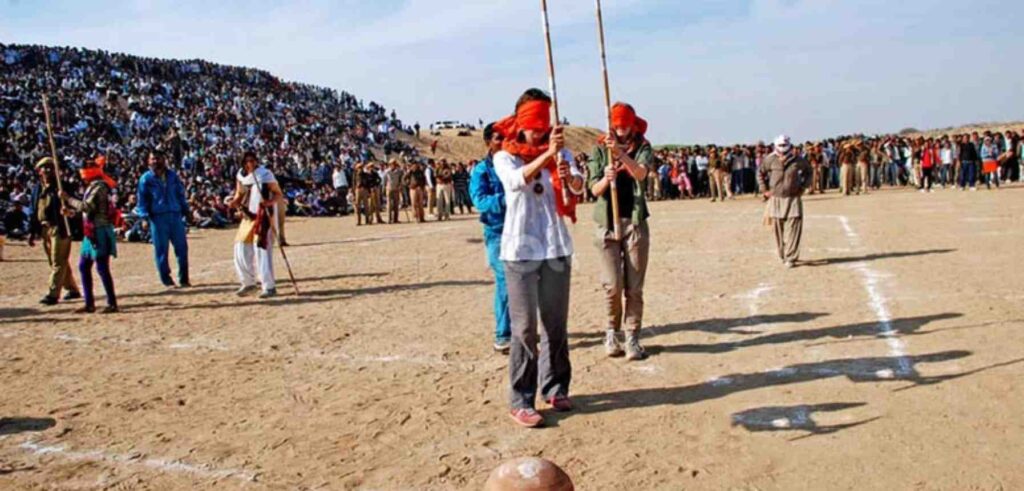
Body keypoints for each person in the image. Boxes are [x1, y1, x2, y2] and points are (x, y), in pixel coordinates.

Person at [493, 88, 585, 428]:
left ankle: (556, 386)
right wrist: (547, 155)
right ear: (520, 123)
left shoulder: (561, 152)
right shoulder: (505, 156)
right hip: (519, 251)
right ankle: (521, 399)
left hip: (556, 247)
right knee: (524, 328)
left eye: (543, 125)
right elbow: (516, 182)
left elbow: (576, 189)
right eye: (533, 126)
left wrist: (569, 174)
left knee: (555, 324)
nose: (539, 132)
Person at [587, 103, 652, 361]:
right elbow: (593, 190)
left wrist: (622, 156)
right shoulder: (600, 148)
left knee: (634, 287)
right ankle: (611, 332)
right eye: (618, 123)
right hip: (607, 223)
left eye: (626, 123)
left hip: (634, 221)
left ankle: (633, 336)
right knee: (612, 286)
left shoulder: (643, 147)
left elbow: (641, 173)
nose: (622, 128)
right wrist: (607, 177)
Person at [470, 123, 511, 354]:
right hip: (496, 231)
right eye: (498, 138)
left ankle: (521, 328)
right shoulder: (481, 171)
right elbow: (480, 201)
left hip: (520, 230)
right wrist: (507, 198)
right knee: (505, 278)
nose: (503, 141)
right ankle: (503, 334)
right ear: (488, 142)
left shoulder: (515, 164)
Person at [61, 155, 119, 313]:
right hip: (91, 230)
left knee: (102, 268)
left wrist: (68, 199)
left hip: (99, 230)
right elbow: (87, 212)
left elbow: (87, 207)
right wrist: (71, 213)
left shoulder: (99, 187)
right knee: (84, 266)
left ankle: (111, 303)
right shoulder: (93, 186)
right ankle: (89, 303)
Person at [228, 151, 284, 299]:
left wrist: (269, 202)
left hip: (263, 216)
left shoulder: (265, 175)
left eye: (252, 161)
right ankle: (248, 282)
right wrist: (234, 202)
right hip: (247, 217)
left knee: (262, 250)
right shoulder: (241, 177)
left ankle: (268, 285)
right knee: (240, 248)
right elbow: (239, 194)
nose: (250, 164)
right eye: (247, 161)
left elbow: (278, 194)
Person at [28, 157, 81, 305]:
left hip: (60, 228)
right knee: (55, 262)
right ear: (39, 171)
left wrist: (66, 201)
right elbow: (34, 211)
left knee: (58, 261)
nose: (48, 170)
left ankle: (53, 294)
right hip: (44, 229)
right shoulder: (37, 189)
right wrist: (32, 232)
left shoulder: (63, 187)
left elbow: (75, 205)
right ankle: (73, 289)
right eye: (44, 168)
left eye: (51, 167)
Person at [136, 149, 191, 288]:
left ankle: (184, 279)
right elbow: (142, 200)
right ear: (148, 161)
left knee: (182, 248)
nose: (156, 161)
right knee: (161, 250)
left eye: (158, 158)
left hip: (175, 215)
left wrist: (186, 210)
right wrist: (144, 218)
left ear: (164, 159)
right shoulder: (146, 179)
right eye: (153, 159)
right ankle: (166, 280)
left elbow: (180, 194)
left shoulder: (173, 176)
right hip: (158, 218)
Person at [758, 135, 812, 269]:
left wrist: (803, 187)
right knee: (777, 229)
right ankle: (782, 254)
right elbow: (760, 173)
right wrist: (764, 189)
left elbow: (809, 172)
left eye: (785, 145)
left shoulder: (798, 160)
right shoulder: (769, 160)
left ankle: (791, 256)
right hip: (776, 198)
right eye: (780, 146)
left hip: (793, 197)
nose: (783, 149)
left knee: (794, 227)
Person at [384, 160, 404, 224]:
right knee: (389, 205)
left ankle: (395, 219)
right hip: (389, 189)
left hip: (396, 189)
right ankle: (389, 219)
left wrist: (400, 185)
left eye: (394, 164)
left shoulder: (399, 171)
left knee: (396, 204)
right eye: (391, 164)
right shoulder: (387, 171)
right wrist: (384, 188)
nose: (392, 165)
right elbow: (384, 181)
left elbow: (401, 180)